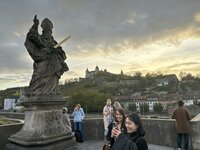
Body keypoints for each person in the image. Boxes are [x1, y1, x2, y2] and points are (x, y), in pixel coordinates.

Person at [24, 15, 69, 95]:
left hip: (54, 62)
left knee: (53, 76)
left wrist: (58, 50)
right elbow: (32, 36)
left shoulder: (54, 42)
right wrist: (35, 26)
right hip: (43, 60)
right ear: (43, 30)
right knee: (37, 76)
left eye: (49, 31)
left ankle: (52, 90)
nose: (48, 33)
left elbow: (62, 53)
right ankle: (33, 91)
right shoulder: (41, 38)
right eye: (46, 31)